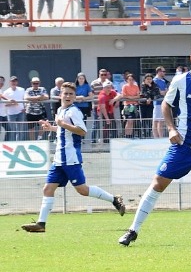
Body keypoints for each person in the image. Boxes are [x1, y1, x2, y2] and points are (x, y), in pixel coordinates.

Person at [118, 40, 191, 246]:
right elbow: (166, 105)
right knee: (158, 183)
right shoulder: (181, 81)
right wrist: (171, 128)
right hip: (184, 145)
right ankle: (132, 230)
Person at [21, 82, 126, 233]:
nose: (68, 96)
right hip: (59, 158)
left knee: (82, 190)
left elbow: (82, 131)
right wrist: (52, 127)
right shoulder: (60, 109)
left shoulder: (74, 111)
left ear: (75, 96)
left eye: (71, 94)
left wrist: (62, 124)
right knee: (48, 188)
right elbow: (64, 130)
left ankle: (114, 200)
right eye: (66, 93)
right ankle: (41, 224)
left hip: (70, 157)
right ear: (61, 95)